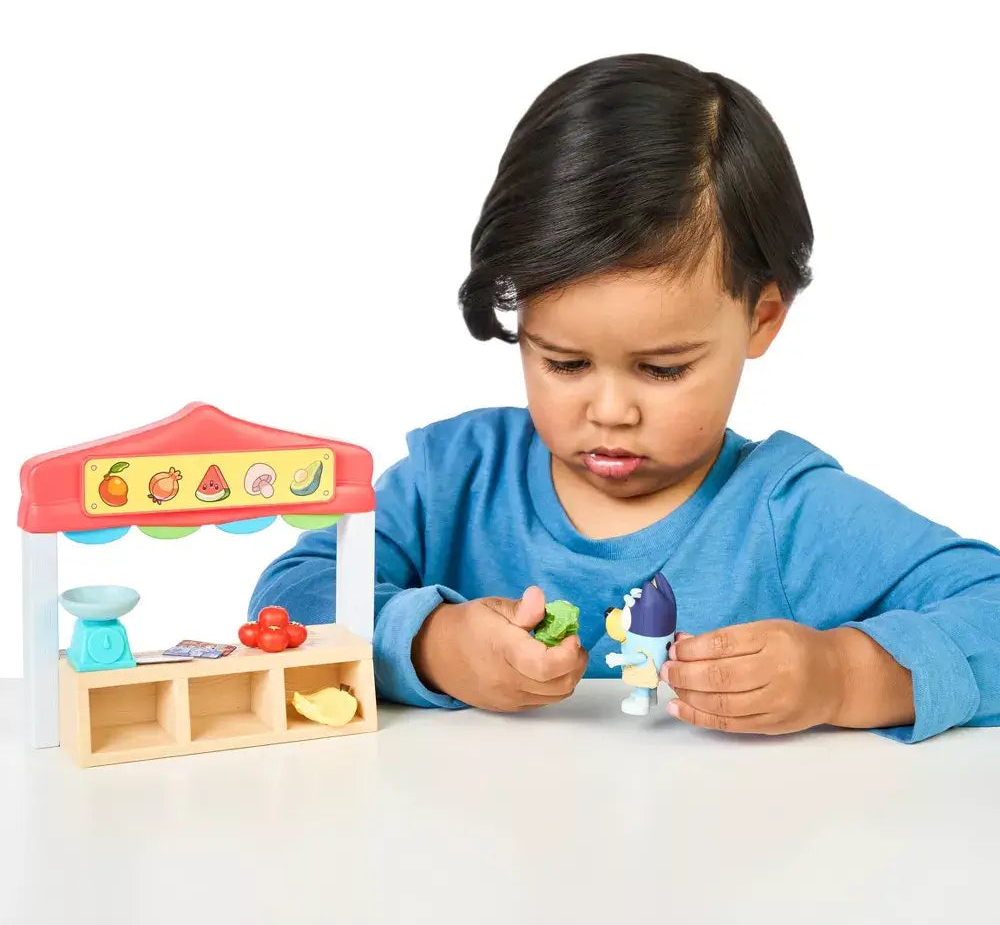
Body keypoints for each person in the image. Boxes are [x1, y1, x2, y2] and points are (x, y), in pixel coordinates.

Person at [250, 53, 1000, 743]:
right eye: (565, 362)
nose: (610, 411)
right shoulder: (455, 482)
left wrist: (844, 675)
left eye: (663, 369)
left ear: (761, 317)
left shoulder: (789, 515)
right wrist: (431, 643)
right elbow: (290, 595)